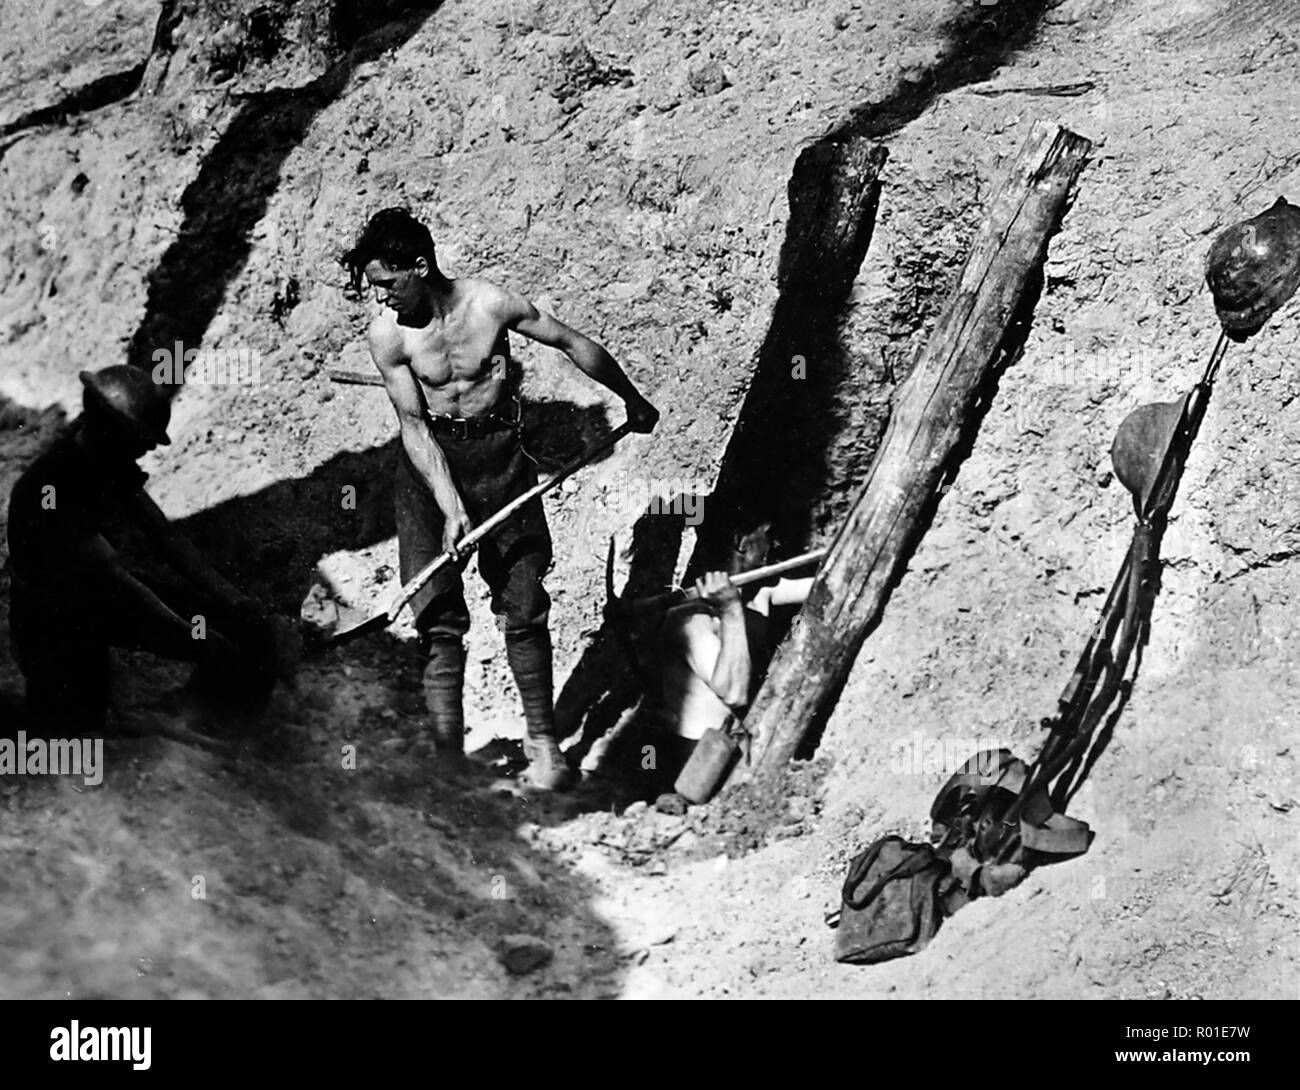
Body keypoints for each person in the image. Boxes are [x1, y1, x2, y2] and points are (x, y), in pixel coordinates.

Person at [342, 208, 659, 790]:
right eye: (374, 287)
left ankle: (543, 744)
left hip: (501, 464)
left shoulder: (489, 305)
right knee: (438, 617)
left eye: (387, 282)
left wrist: (630, 398)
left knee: (524, 603)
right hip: (427, 473)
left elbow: (570, 341)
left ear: (419, 265)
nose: (381, 298)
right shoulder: (387, 338)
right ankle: (446, 761)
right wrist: (450, 505)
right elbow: (413, 427)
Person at [6, 366, 286, 737]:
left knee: (245, 629)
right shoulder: (49, 487)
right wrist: (196, 638)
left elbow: (165, 537)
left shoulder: (105, 457)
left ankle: (209, 729)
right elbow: (121, 582)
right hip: (53, 620)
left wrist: (233, 600)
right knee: (70, 740)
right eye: (142, 438)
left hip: (97, 594)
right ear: (111, 431)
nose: (150, 447)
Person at [655, 524, 814, 784]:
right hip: (697, 758)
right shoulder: (689, 619)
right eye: (768, 535)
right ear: (742, 541)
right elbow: (733, 693)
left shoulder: (758, 593)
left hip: (741, 742)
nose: (774, 546)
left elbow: (822, 582)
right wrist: (730, 609)